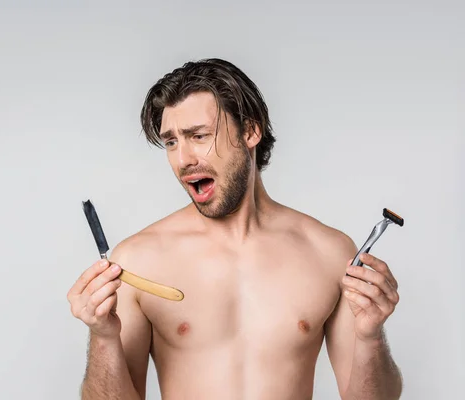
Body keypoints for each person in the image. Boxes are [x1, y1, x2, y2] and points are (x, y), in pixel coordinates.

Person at [67, 58, 403, 399]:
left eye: (198, 135)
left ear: (250, 132)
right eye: (171, 142)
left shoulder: (329, 252)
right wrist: (104, 337)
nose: (183, 159)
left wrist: (371, 337)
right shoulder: (139, 261)